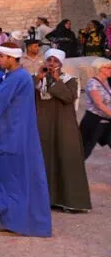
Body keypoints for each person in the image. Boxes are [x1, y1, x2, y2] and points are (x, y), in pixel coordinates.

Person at [0, 41, 52, 237]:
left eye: (2, 57)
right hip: (12, 132)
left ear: (12, 58)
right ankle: (12, 216)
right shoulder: (17, 76)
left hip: (10, 134)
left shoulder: (17, 78)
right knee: (13, 177)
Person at [35, 49, 91, 211]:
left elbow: (68, 97)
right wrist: (39, 77)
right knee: (45, 160)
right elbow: (25, 93)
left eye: (55, 61)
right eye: (49, 60)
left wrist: (56, 80)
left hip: (63, 127)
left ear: (60, 63)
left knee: (66, 159)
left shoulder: (69, 80)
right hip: (43, 127)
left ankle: (71, 201)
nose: (52, 64)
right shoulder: (38, 79)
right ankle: (47, 199)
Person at [79, 57, 111, 159]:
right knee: (83, 151)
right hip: (93, 121)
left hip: (106, 121)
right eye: (108, 68)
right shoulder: (92, 83)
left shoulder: (107, 81)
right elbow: (99, 104)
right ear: (100, 68)